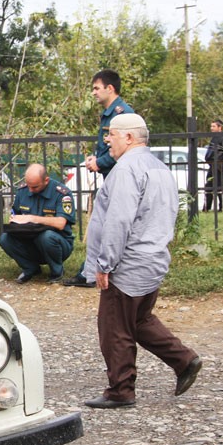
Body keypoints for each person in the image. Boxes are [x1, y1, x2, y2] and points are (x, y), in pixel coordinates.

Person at [82, 113, 202, 409]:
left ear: (129, 137)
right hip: (154, 257)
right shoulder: (159, 168)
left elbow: (118, 220)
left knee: (114, 327)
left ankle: (121, 390)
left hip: (128, 262)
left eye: (111, 134)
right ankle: (184, 360)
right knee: (139, 319)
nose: (106, 140)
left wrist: (105, 264)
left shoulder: (126, 169)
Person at [63, 68, 134, 287]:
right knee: (101, 225)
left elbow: (124, 148)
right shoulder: (110, 113)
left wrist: (99, 163)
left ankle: (95, 272)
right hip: (111, 176)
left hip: (119, 176)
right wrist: (98, 158)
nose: (93, 93)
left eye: (96, 88)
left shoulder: (121, 114)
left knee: (108, 225)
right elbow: (108, 145)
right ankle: (91, 271)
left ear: (109, 88)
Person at [0, 164, 76, 284]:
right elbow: (15, 215)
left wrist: (32, 218)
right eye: (28, 186)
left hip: (57, 244)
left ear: (46, 180)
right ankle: (30, 268)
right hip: (30, 241)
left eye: (34, 187)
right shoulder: (22, 191)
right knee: (4, 238)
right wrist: (15, 222)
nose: (30, 190)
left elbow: (61, 223)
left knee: (46, 236)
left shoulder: (62, 193)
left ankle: (56, 271)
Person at [203, 119, 223, 212]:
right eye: (211, 126)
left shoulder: (222, 137)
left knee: (220, 187)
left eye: (214, 126)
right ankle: (207, 207)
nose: (211, 128)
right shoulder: (215, 137)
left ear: (220, 127)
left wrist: (221, 162)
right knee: (209, 187)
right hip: (213, 165)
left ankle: (222, 207)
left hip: (219, 166)